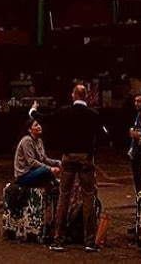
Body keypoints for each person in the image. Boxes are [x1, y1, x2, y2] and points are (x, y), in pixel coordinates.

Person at [46, 84, 103, 253]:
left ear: (73, 96)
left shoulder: (64, 112)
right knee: (88, 197)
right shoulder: (93, 114)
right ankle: (89, 242)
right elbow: (102, 135)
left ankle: (58, 239)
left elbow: (47, 119)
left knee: (64, 196)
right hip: (86, 157)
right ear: (85, 96)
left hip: (68, 157)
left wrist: (33, 111)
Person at [14, 119, 60, 187]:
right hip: (24, 175)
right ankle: (56, 182)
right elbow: (31, 162)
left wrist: (57, 162)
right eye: (36, 125)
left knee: (51, 170)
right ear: (29, 130)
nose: (39, 126)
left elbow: (44, 158)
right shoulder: (27, 140)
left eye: (39, 124)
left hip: (34, 172)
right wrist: (50, 168)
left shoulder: (39, 141)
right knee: (46, 171)